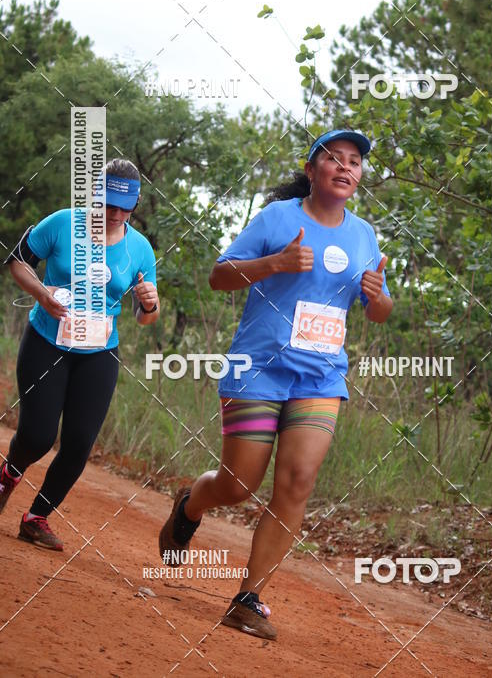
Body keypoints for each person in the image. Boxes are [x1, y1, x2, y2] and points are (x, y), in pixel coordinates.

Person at [159, 128, 393, 640]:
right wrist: (276, 264)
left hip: (321, 375)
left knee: (297, 482)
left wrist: (377, 297)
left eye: (355, 161)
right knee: (238, 485)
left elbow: (380, 312)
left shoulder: (363, 236)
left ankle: (248, 597)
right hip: (258, 368)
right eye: (334, 158)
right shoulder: (276, 219)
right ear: (312, 170)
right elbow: (219, 276)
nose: (345, 167)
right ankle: (189, 506)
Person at [0, 159, 160, 550]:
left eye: (126, 208)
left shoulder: (139, 248)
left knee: (78, 444)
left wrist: (150, 304)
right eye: (109, 204)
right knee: (37, 436)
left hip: (98, 353)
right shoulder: (61, 223)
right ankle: (7, 475)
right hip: (47, 341)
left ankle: (37, 518)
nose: (116, 214)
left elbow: (144, 318)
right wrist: (43, 293)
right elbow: (17, 263)